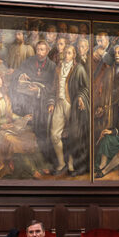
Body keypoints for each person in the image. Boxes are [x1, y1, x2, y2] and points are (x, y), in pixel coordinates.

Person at [48, 44, 89, 176]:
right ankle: (61, 163)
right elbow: (53, 87)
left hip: (72, 104)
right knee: (54, 135)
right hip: (59, 103)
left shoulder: (79, 69)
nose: (66, 55)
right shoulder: (58, 68)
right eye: (65, 52)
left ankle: (71, 165)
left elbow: (86, 88)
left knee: (73, 135)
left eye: (69, 53)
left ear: (74, 55)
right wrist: (51, 102)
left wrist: (81, 97)